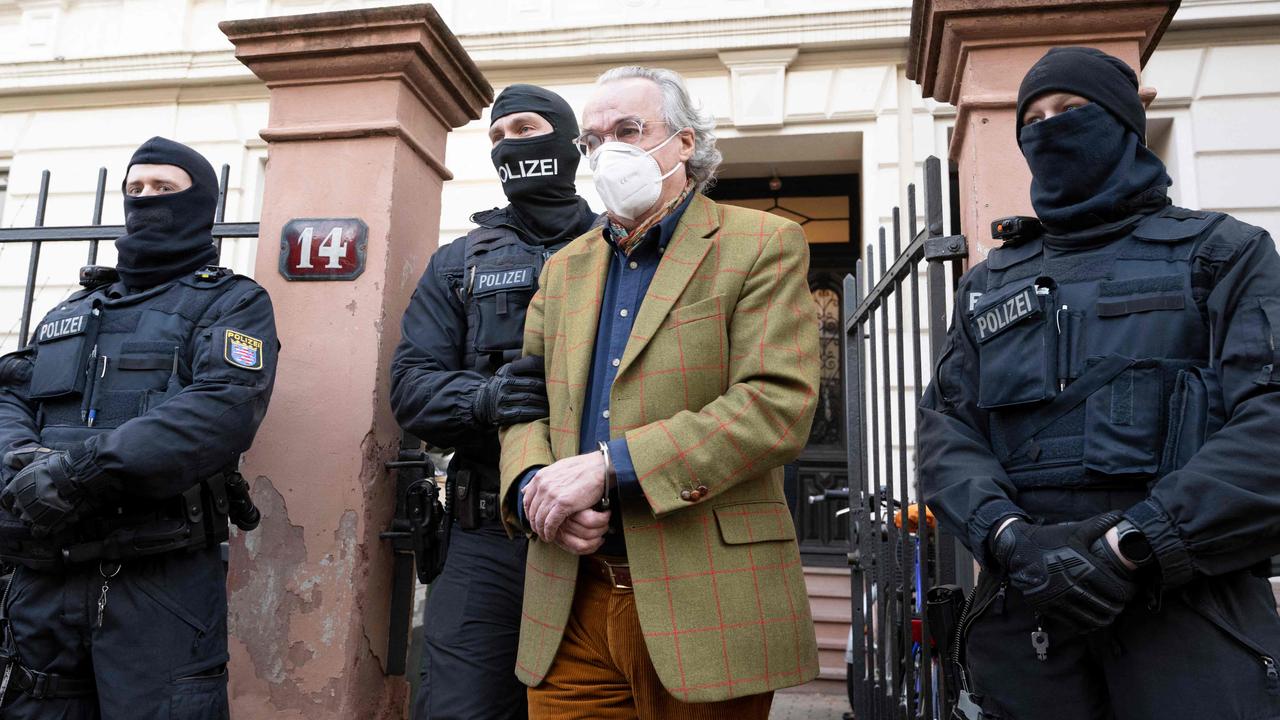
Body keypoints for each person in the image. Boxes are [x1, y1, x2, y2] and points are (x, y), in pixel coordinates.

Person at [919, 46, 1280, 720]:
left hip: (1191, 619)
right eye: (1036, 117)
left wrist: (1134, 545)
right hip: (1029, 624)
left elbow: (1270, 431)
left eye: (1072, 110)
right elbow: (946, 435)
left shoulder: (1226, 253)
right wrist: (1009, 540)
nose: (1050, 127)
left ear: (1122, 120)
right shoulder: (987, 284)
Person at [498, 65, 821, 720]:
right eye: (593, 139)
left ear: (684, 143)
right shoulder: (563, 269)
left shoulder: (762, 242)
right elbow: (523, 396)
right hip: (572, 600)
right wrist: (536, 481)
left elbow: (775, 405)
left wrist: (608, 467)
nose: (607, 150)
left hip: (705, 592)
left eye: (628, 130)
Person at [0, 136, 277, 718]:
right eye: (136, 190)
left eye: (164, 189)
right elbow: (10, 396)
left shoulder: (231, 303)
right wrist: (22, 460)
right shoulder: (71, 310)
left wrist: (76, 474)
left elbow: (220, 410)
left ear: (200, 203)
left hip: (158, 581)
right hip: (45, 573)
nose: (146, 199)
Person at [389, 84, 599, 720]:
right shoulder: (460, 263)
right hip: (488, 536)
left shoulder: (625, 246)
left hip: (607, 533)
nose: (510, 146)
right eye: (498, 138)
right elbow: (410, 388)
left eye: (527, 129)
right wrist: (486, 398)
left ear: (566, 143)